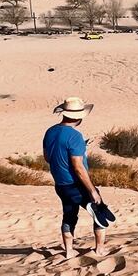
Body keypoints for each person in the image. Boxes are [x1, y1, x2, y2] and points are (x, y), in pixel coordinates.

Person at [43, 97, 107, 258]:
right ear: (79, 117)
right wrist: (92, 190)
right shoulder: (75, 136)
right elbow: (78, 167)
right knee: (100, 212)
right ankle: (100, 248)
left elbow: (47, 157)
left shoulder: (50, 131)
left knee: (69, 215)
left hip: (60, 185)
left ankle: (69, 250)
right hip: (77, 184)